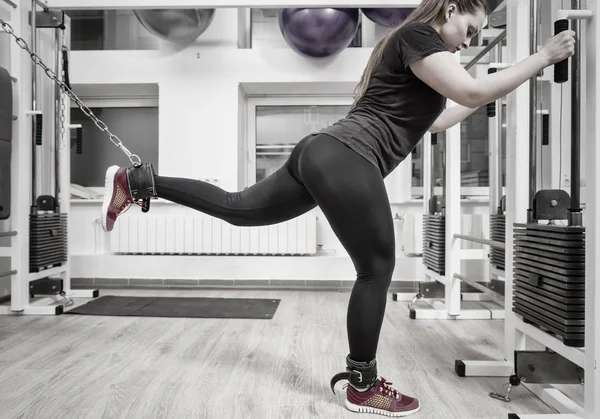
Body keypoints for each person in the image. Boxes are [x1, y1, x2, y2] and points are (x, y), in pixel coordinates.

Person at [100, 0, 575, 416]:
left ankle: (139, 181)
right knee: (377, 266)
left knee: (237, 209)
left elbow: (443, 117)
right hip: (347, 155)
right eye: (469, 30)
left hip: (326, 151)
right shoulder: (418, 35)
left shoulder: (425, 57)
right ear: (449, 8)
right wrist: (541, 57)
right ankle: (363, 385)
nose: (466, 44)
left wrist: (500, 82)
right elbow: (469, 92)